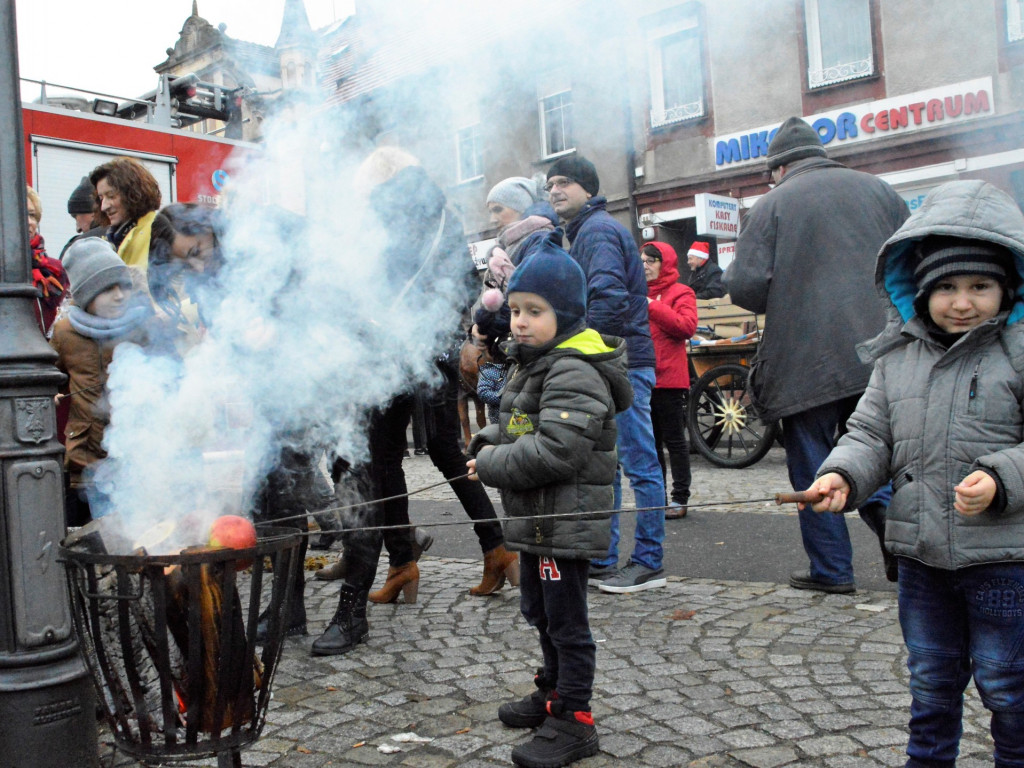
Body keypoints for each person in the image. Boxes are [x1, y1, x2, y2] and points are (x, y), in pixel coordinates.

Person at [801, 179, 1024, 768]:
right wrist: (843, 475)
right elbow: (870, 433)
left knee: (1008, 687)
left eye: (980, 286)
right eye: (946, 287)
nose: (962, 301)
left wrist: (1002, 478)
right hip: (922, 557)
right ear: (918, 290)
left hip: (1005, 561)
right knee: (930, 684)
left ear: (1007, 287)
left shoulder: (1019, 351)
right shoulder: (896, 356)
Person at [725, 116, 909, 593]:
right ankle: (893, 526)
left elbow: (743, 286)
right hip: (881, 353)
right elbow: (913, 262)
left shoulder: (772, 205)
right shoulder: (880, 190)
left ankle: (832, 570)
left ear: (779, 168)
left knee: (813, 460)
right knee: (871, 449)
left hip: (807, 362)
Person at [466, 242, 631, 768]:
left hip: (564, 520)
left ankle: (575, 718)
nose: (519, 322)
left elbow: (556, 451)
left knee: (567, 622)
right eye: (515, 310)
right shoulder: (535, 364)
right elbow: (522, 425)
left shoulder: (574, 369)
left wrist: (493, 463)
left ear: (566, 315)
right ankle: (552, 690)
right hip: (538, 522)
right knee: (538, 609)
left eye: (534, 312)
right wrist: (486, 440)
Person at [545, 154, 666, 594]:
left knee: (639, 464)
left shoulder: (596, 232)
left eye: (564, 182)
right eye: (550, 184)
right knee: (611, 464)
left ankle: (649, 561)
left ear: (587, 189)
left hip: (623, 364)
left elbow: (608, 301)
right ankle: (604, 557)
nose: (555, 190)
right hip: (617, 361)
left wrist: (586, 361)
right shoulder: (583, 232)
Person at [53, 239, 154, 525]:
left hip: (132, 458)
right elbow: (53, 376)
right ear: (86, 294)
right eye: (108, 288)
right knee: (93, 537)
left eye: (123, 286)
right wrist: (53, 394)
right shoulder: (65, 333)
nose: (120, 295)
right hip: (86, 460)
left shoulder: (139, 328)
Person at [642, 242, 697, 519]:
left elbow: (686, 327)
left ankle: (680, 498)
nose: (645, 265)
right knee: (650, 445)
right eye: (643, 260)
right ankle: (657, 497)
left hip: (670, 380)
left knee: (674, 441)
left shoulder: (681, 292)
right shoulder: (638, 293)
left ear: (665, 263)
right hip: (643, 379)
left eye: (651, 260)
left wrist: (653, 306)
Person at [90, 157, 162, 270]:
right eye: (100, 198)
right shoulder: (110, 241)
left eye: (111, 196)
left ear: (133, 193)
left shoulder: (159, 234)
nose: (104, 206)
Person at [27, 185, 70, 336]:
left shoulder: (56, 269)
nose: (29, 222)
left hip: (49, 354)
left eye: (32, 215)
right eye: (20, 214)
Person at [60, 176, 109, 259]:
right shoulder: (129, 236)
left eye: (76, 217)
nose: (78, 229)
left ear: (94, 213)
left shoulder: (76, 247)